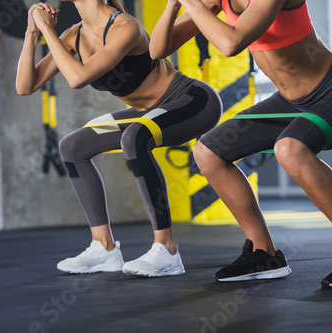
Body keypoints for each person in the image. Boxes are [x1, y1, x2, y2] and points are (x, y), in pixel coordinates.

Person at [150, 0, 332, 288]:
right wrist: (172, 7)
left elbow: (231, 43)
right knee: (208, 151)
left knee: (290, 148)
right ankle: (264, 253)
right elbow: (157, 50)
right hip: (290, 103)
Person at [16, 0, 222, 277]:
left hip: (193, 101)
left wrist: (46, 29)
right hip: (146, 113)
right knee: (72, 146)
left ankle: (167, 250)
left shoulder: (125, 27)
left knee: (134, 137)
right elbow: (25, 86)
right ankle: (104, 247)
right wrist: (32, 33)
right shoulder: (73, 36)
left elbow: (77, 78)